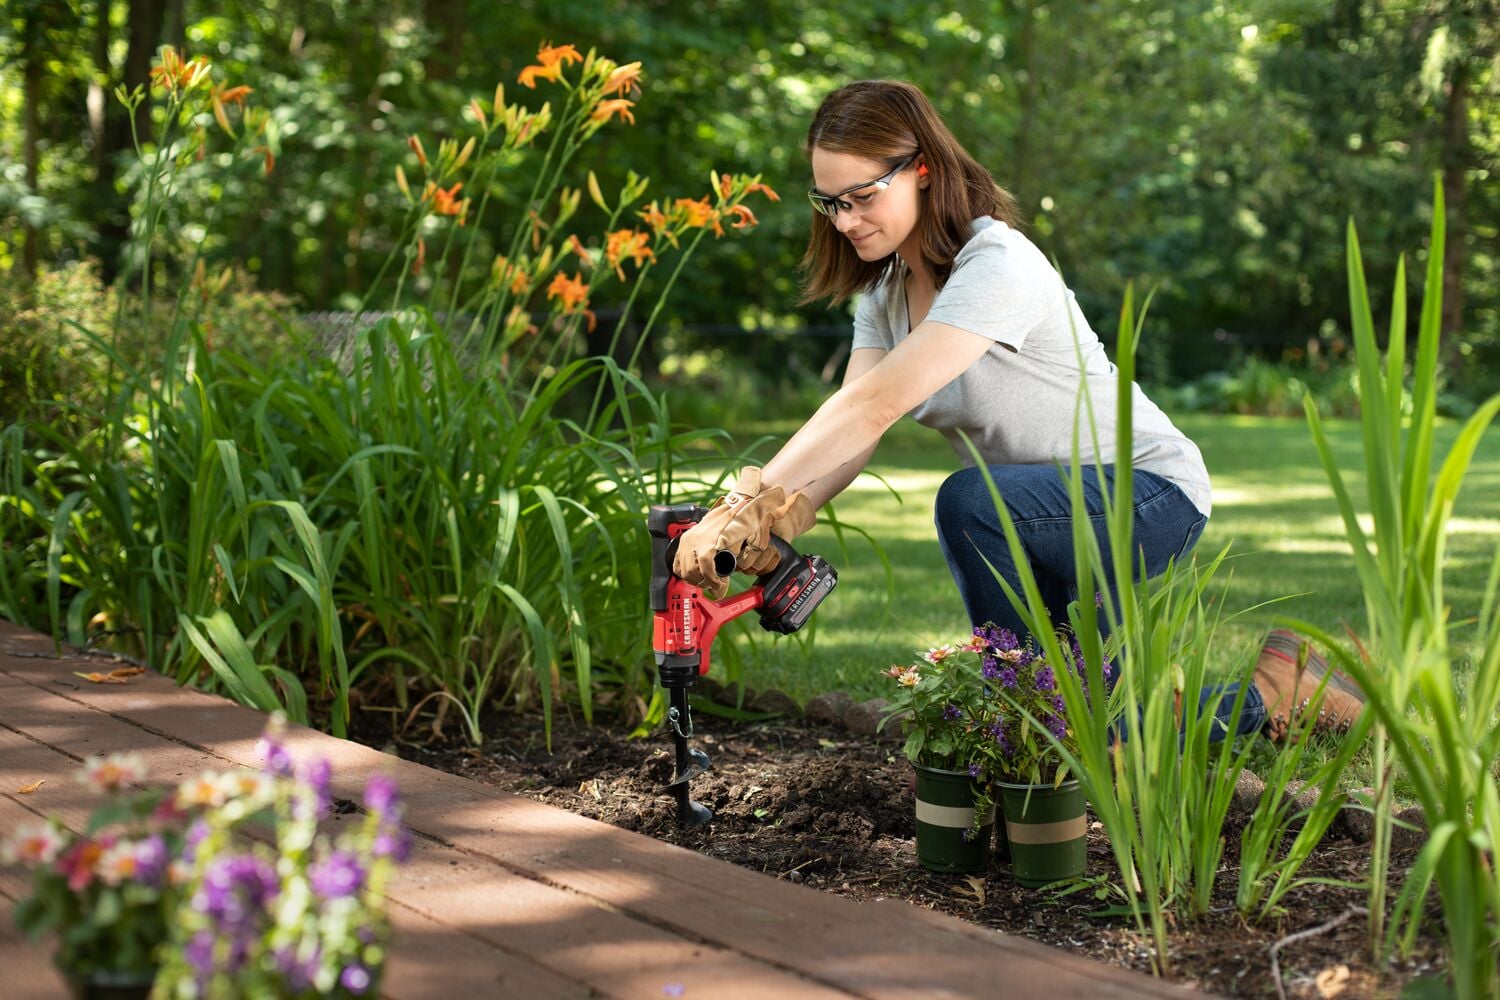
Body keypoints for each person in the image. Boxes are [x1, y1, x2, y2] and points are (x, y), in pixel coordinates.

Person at [671, 80, 1362, 742]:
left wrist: (741, 503)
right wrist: (778, 516)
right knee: (1057, 723)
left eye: (861, 195)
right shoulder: (882, 299)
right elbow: (849, 424)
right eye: (830, 204)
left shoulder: (995, 263)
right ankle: (1278, 692)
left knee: (969, 504)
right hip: (1038, 516)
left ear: (922, 169)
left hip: (1143, 496)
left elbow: (877, 406)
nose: (846, 219)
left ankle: (1272, 693)